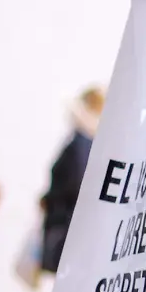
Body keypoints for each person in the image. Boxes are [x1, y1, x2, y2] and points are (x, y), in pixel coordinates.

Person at [41, 86, 102, 273]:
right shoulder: (92, 143)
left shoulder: (80, 143)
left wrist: (49, 199)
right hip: (77, 225)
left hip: (67, 224)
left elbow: (76, 183)